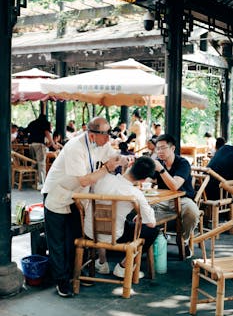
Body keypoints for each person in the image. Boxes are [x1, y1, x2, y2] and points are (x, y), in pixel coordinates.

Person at [42, 117, 130, 298]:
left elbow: (112, 156)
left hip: (77, 196)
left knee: (73, 238)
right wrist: (106, 168)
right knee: (57, 241)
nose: (108, 137)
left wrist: (123, 159)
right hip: (58, 194)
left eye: (109, 132)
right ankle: (61, 281)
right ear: (92, 134)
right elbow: (83, 179)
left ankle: (73, 276)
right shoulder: (75, 147)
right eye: (105, 133)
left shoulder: (102, 143)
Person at [84, 156, 158, 278]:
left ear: (130, 165)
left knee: (106, 217)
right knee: (152, 231)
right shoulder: (136, 194)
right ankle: (123, 267)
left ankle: (102, 262)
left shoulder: (102, 177)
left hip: (89, 231)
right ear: (144, 180)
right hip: (114, 236)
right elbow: (151, 223)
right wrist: (140, 216)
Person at [151, 134, 199, 258]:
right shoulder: (158, 163)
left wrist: (161, 169)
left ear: (172, 149)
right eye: (157, 148)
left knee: (192, 211)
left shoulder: (183, 163)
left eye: (163, 148)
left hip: (182, 199)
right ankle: (147, 241)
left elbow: (175, 186)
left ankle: (183, 241)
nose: (159, 151)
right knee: (137, 207)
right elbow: (146, 180)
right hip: (161, 200)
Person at [25, 113, 54, 189]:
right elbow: (47, 133)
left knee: (34, 163)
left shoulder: (32, 122)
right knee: (41, 164)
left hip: (31, 145)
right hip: (39, 144)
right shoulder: (44, 123)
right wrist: (52, 143)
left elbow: (25, 131)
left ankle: (35, 182)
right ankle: (42, 184)